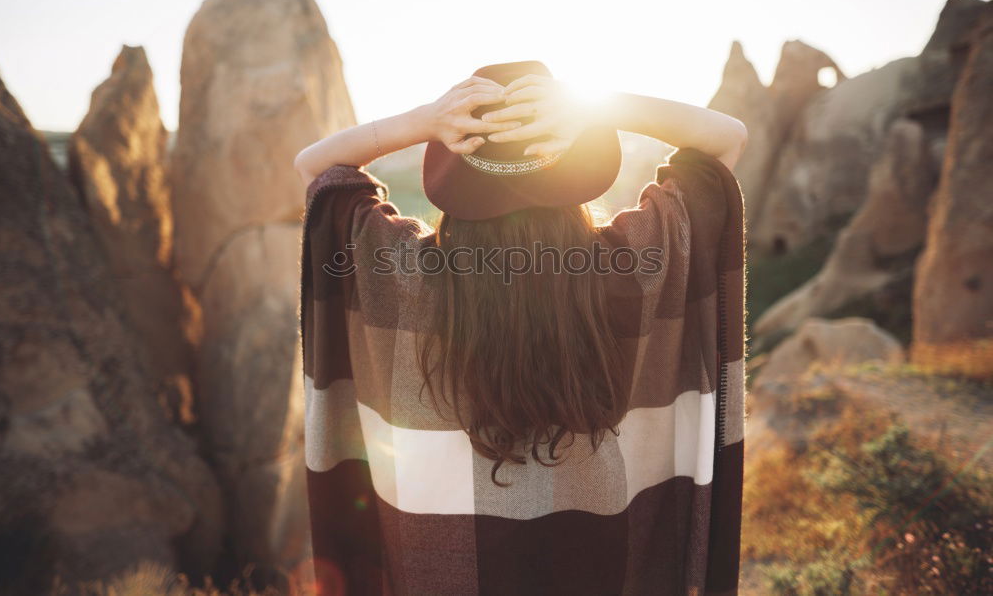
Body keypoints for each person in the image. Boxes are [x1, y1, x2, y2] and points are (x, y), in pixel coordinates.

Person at [293, 60, 748, 596]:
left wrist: (425, 120)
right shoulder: (636, 267)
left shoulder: (402, 276)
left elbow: (317, 170)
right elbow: (725, 141)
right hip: (606, 572)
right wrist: (597, 109)